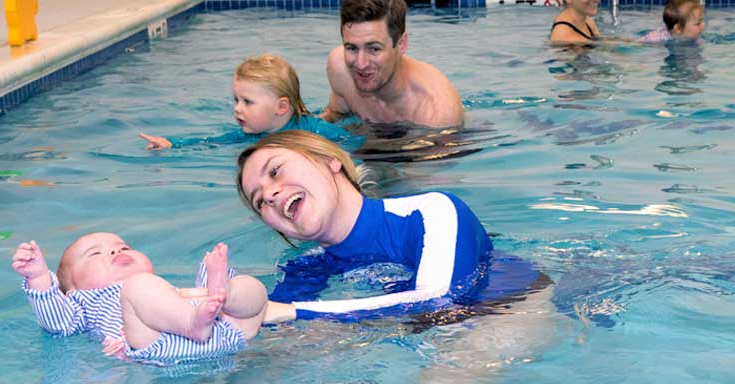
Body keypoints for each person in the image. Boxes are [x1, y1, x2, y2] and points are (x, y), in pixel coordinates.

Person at [235, 130, 505, 321]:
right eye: (259, 201)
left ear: (330, 161)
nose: (269, 195)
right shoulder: (307, 269)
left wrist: (293, 312)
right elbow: (265, 321)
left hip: (506, 310)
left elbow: (439, 301)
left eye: (275, 171)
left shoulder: (432, 211)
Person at [11, 232, 269, 364]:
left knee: (251, 289)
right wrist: (38, 277)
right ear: (73, 290)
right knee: (137, 287)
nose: (116, 249)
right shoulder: (83, 302)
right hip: (155, 345)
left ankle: (223, 292)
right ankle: (194, 321)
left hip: (225, 334)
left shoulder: (162, 288)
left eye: (124, 247)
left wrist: (215, 294)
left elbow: (201, 304)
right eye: (94, 254)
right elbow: (57, 323)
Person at [138, 54, 352, 150]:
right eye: (236, 100)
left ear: (281, 107)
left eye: (247, 102)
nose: (237, 108)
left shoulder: (313, 132)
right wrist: (173, 144)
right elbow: (211, 142)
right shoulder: (247, 133)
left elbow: (351, 142)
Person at [320, 0, 464, 129]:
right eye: (352, 48)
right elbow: (335, 116)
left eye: (374, 49)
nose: (361, 64)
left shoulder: (436, 113)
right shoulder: (340, 68)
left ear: (401, 44)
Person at [639, 0, 705, 44]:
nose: (703, 25)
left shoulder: (695, 36)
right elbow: (637, 43)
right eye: (698, 23)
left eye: (702, 20)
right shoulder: (658, 38)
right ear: (678, 29)